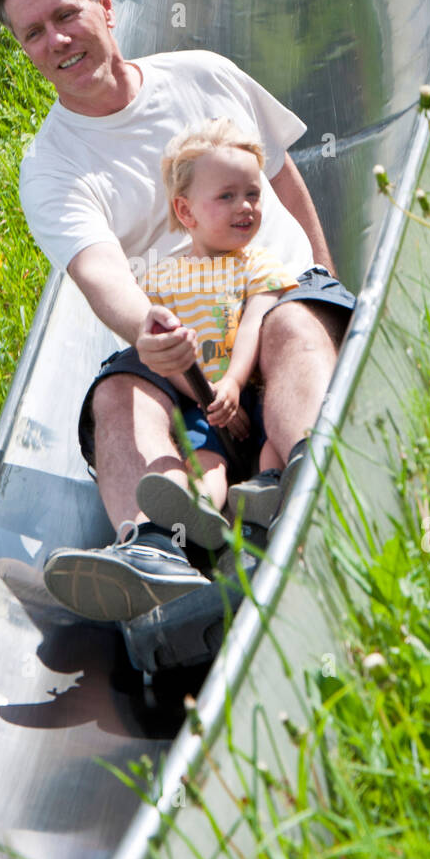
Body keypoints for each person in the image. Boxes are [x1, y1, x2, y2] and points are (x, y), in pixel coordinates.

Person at [0, 0, 355, 625]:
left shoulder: (202, 76)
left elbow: (280, 178)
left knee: (290, 321)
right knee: (117, 391)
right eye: (33, 33)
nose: (57, 40)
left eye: (66, 16)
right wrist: (142, 328)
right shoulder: (53, 167)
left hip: (273, 301)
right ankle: (152, 553)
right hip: (186, 354)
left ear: (105, 6)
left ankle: (312, 471)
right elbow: (98, 272)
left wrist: (326, 280)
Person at [134, 115, 300, 552]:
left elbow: (252, 327)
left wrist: (233, 384)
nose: (245, 206)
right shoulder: (160, 280)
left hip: (256, 391)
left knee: (274, 441)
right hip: (200, 400)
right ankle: (198, 518)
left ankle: (268, 497)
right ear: (185, 210)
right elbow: (159, 354)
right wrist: (207, 397)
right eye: (227, 196)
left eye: (252, 194)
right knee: (206, 463)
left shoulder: (258, 265)